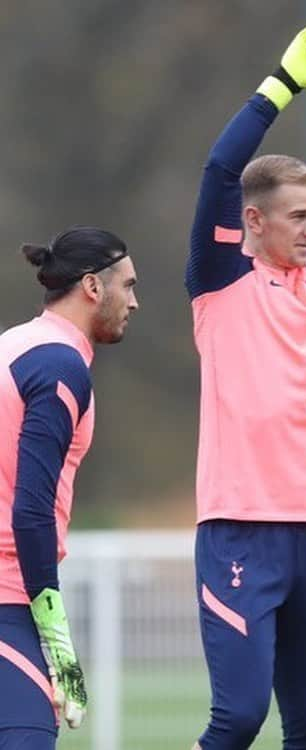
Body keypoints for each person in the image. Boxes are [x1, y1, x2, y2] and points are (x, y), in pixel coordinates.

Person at [186, 19, 306, 750]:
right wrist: (285, 82)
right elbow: (214, 173)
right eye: (298, 216)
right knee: (237, 720)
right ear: (253, 221)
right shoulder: (221, 281)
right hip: (239, 528)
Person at [0, 226, 137, 748]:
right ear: (92, 287)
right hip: (10, 598)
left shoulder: (15, 344)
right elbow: (30, 511)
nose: (135, 301)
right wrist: (60, 646)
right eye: (127, 285)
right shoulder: (59, 364)